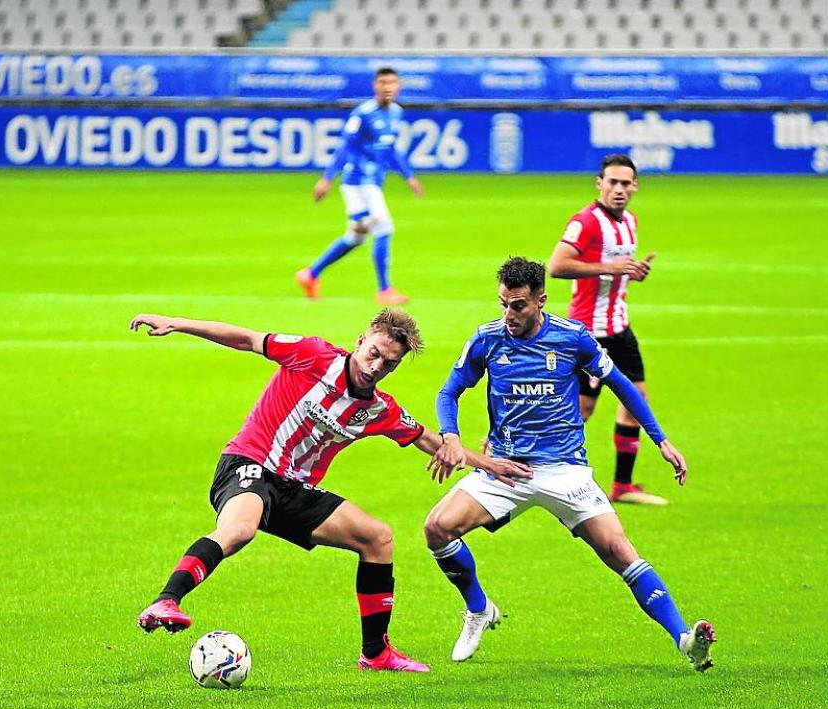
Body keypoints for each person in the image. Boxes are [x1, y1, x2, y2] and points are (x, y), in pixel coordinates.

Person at [130, 309, 527, 672]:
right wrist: (179, 323)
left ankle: (376, 653)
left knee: (378, 539)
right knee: (239, 529)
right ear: (360, 341)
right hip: (249, 465)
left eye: (388, 363)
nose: (376, 366)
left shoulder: (378, 409)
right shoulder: (313, 355)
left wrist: (489, 465)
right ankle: (168, 599)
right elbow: (247, 339)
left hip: (294, 490)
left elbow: (427, 439)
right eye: (372, 353)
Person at [424, 257, 715, 672]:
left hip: (565, 470)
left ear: (541, 299)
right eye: (504, 303)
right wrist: (450, 435)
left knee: (618, 550)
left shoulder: (571, 338)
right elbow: (448, 392)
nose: (509, 315)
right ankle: (478, 609)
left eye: (519, 305)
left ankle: (685, 640)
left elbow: (622, 386)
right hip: (506, 468)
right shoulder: (488, 340)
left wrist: (661, 440)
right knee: (437, 528)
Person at [548, 153, 665, 505]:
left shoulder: (630, 220)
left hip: (620, 328)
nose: (619, 189)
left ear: (635, 186)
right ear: (599, 183)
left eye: (626, 183)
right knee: (582, 409)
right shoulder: (585, 222)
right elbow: (556, 266)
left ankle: (623, 485)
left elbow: (617, 271)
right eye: (612, 182)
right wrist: (609, 267)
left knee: (635, 398)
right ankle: (546, 473)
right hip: (589, 331)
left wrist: (631, 272)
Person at [296, 67, 423, 306]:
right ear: (375, 86)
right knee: (384, 226)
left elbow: (391, 148)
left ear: (399, 87)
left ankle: (310, 274)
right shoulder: (362, 114)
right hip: (357, 182)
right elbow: (344, 147)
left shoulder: (396, 113)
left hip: (374, 181)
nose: (388, 87)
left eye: (392, 83)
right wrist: (327, 178)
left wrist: (408, 176)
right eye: (383, 82)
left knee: (356, 237)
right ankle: (384, 289)